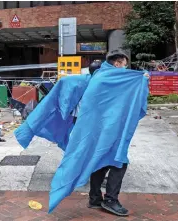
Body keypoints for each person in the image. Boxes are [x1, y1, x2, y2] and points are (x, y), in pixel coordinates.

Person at [14, 50, 150, 216]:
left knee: (99, 159)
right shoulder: (107, 79)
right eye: (124, 64)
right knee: (119, 161)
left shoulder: (102, 77)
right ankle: (110, 200)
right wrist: (140, 79)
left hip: (100, 128)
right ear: (117, 63)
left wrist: (140, 79)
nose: (125, 68)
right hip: (103, 129)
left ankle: (94, 199)